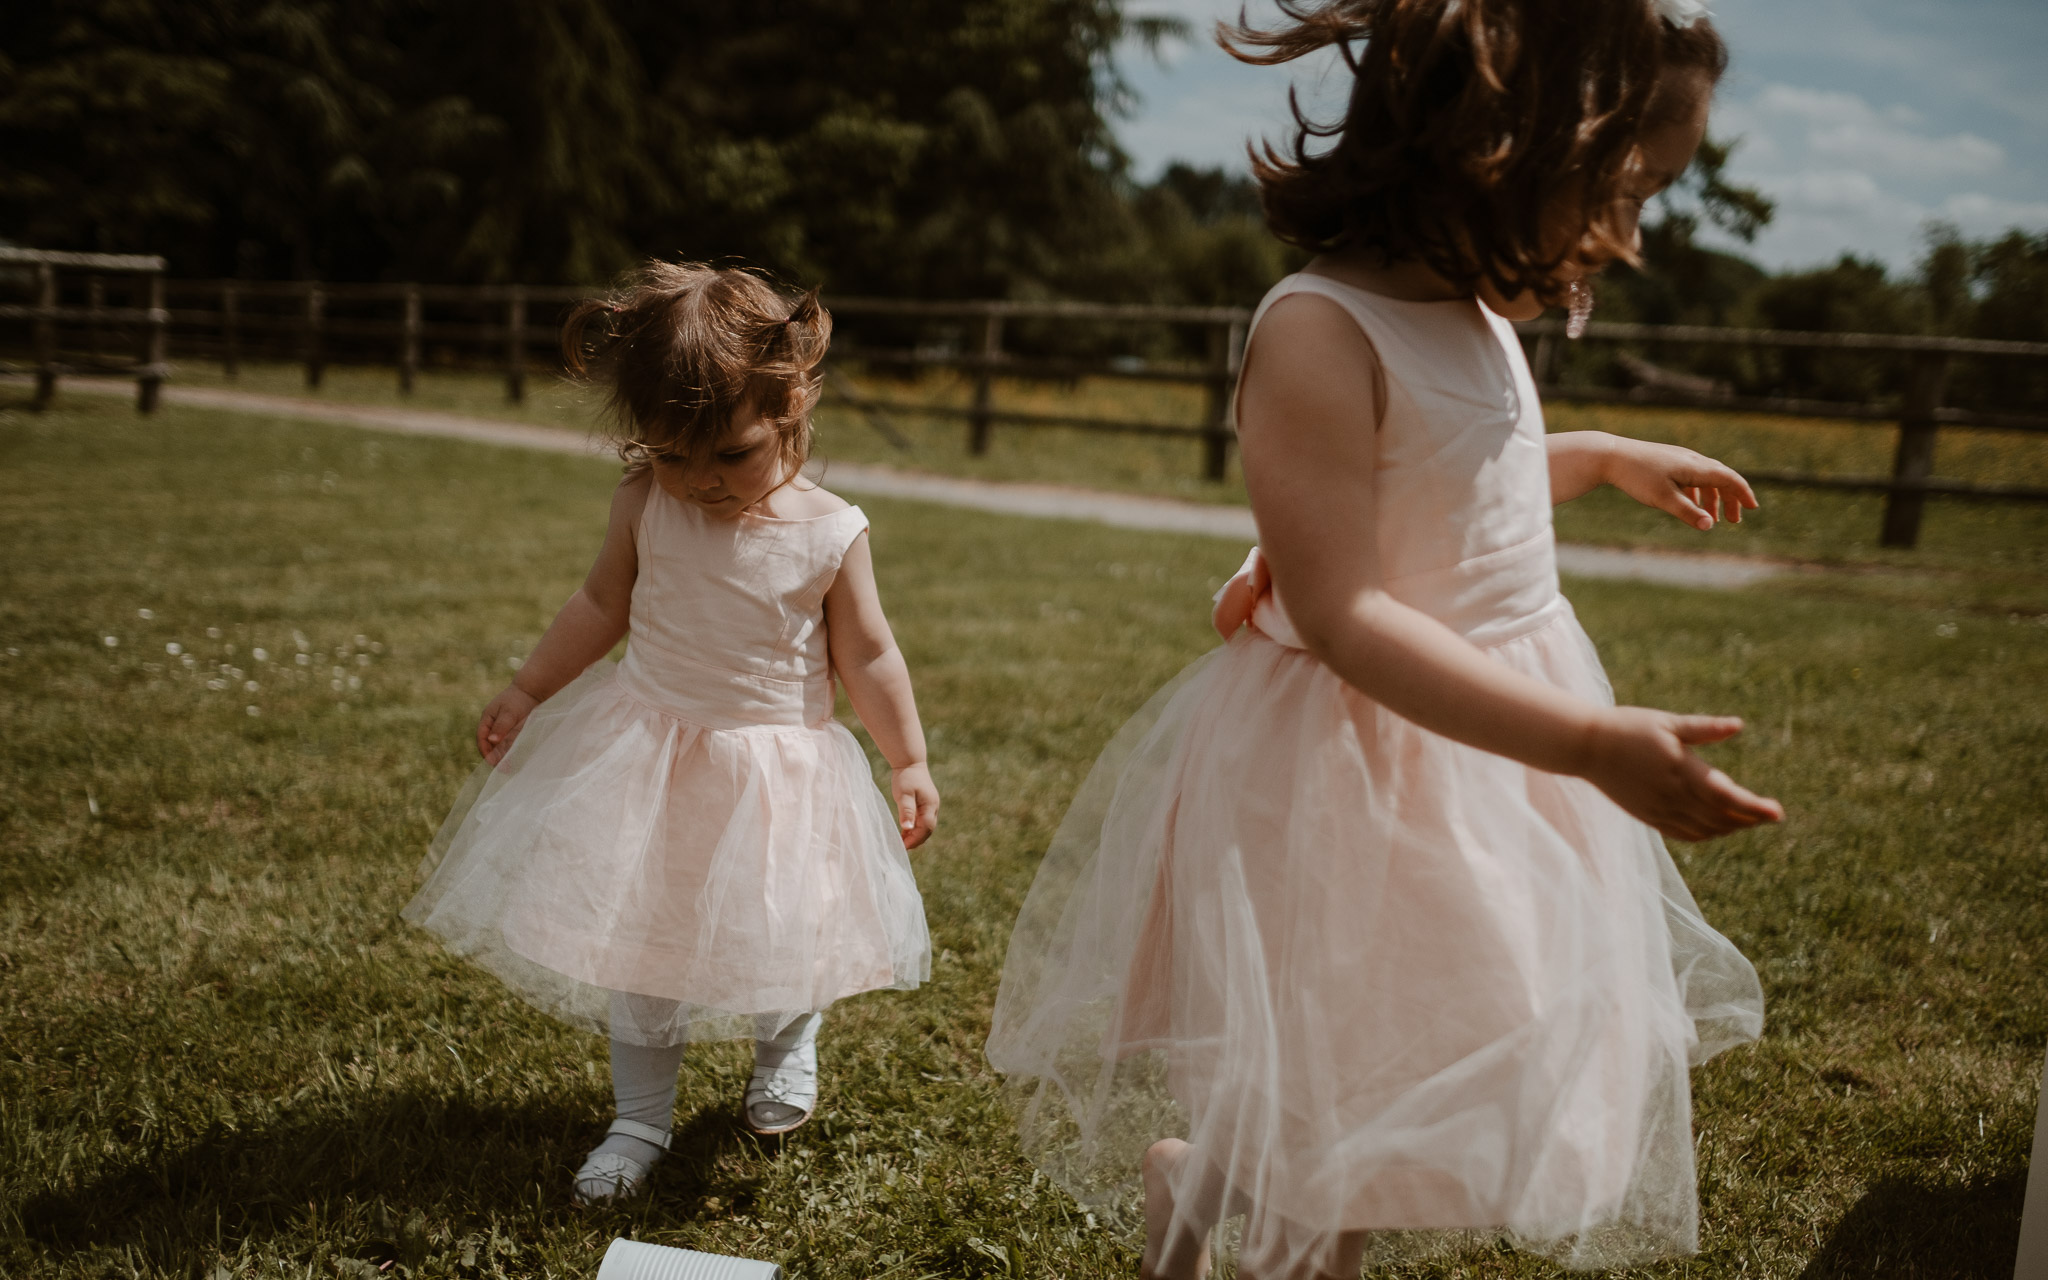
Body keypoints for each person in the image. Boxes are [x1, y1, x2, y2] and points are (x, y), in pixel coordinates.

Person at [986, 1, 1780, 1275]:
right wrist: (1582, 739)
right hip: (1347, 771)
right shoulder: (1314, 330)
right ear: (1492, 144)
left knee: (1378, 1070)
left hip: (1472, 761)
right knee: (1333, 1094)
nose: (1627, 242)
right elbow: (1350, 610)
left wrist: (1603, 455)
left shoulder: (1479, 322)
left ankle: (1190, 1189)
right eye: (1619, 193)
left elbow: (1465, 472)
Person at [404, 263, 938, 1204]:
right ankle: (638, 1119)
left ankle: (786, 1046)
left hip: (774, 765)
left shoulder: (831, 531)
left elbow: (871, 654)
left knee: (783, 925)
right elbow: (603, 601)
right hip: (648, 755)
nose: (698, 481)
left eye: (729, 455)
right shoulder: (647, 502)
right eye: (670, 453)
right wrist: (530, 687)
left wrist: (909, 759)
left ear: (790, 406)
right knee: (640, 940)